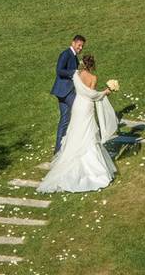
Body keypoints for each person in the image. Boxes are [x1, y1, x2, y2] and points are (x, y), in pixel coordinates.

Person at [38, 54, 118, 193]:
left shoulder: (77, 74)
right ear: (92, 65)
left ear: (83, 63)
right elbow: (92, 95)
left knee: (75, 131)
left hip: (77, 105)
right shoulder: (93, 78)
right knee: (88, 133)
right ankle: (93, 171)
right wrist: (105, 92)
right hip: (86, 107)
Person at [50, 35, 85, 154]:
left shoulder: (74, 56)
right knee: (80, 111)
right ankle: (78, 145)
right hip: (65, 91)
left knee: (64, 120)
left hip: (64, 91)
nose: (80, 48)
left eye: (82, 46)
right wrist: (74, 72)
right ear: (73, 43)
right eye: (79, 45)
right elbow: (59, 71)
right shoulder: (66, 54)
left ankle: (58, 150)